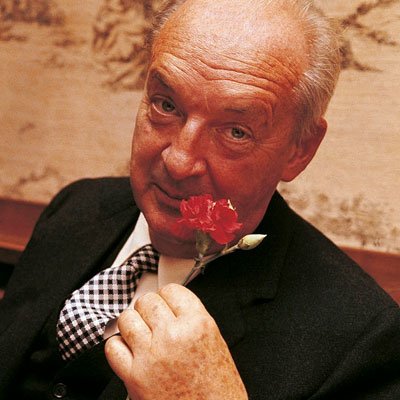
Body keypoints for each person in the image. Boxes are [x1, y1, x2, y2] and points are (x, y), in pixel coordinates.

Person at [1, 0, 399, 399]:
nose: (178, 162)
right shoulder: (76, 207)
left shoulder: (361, 341)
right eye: (166, 105)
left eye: (236, 132)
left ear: (300, 149)